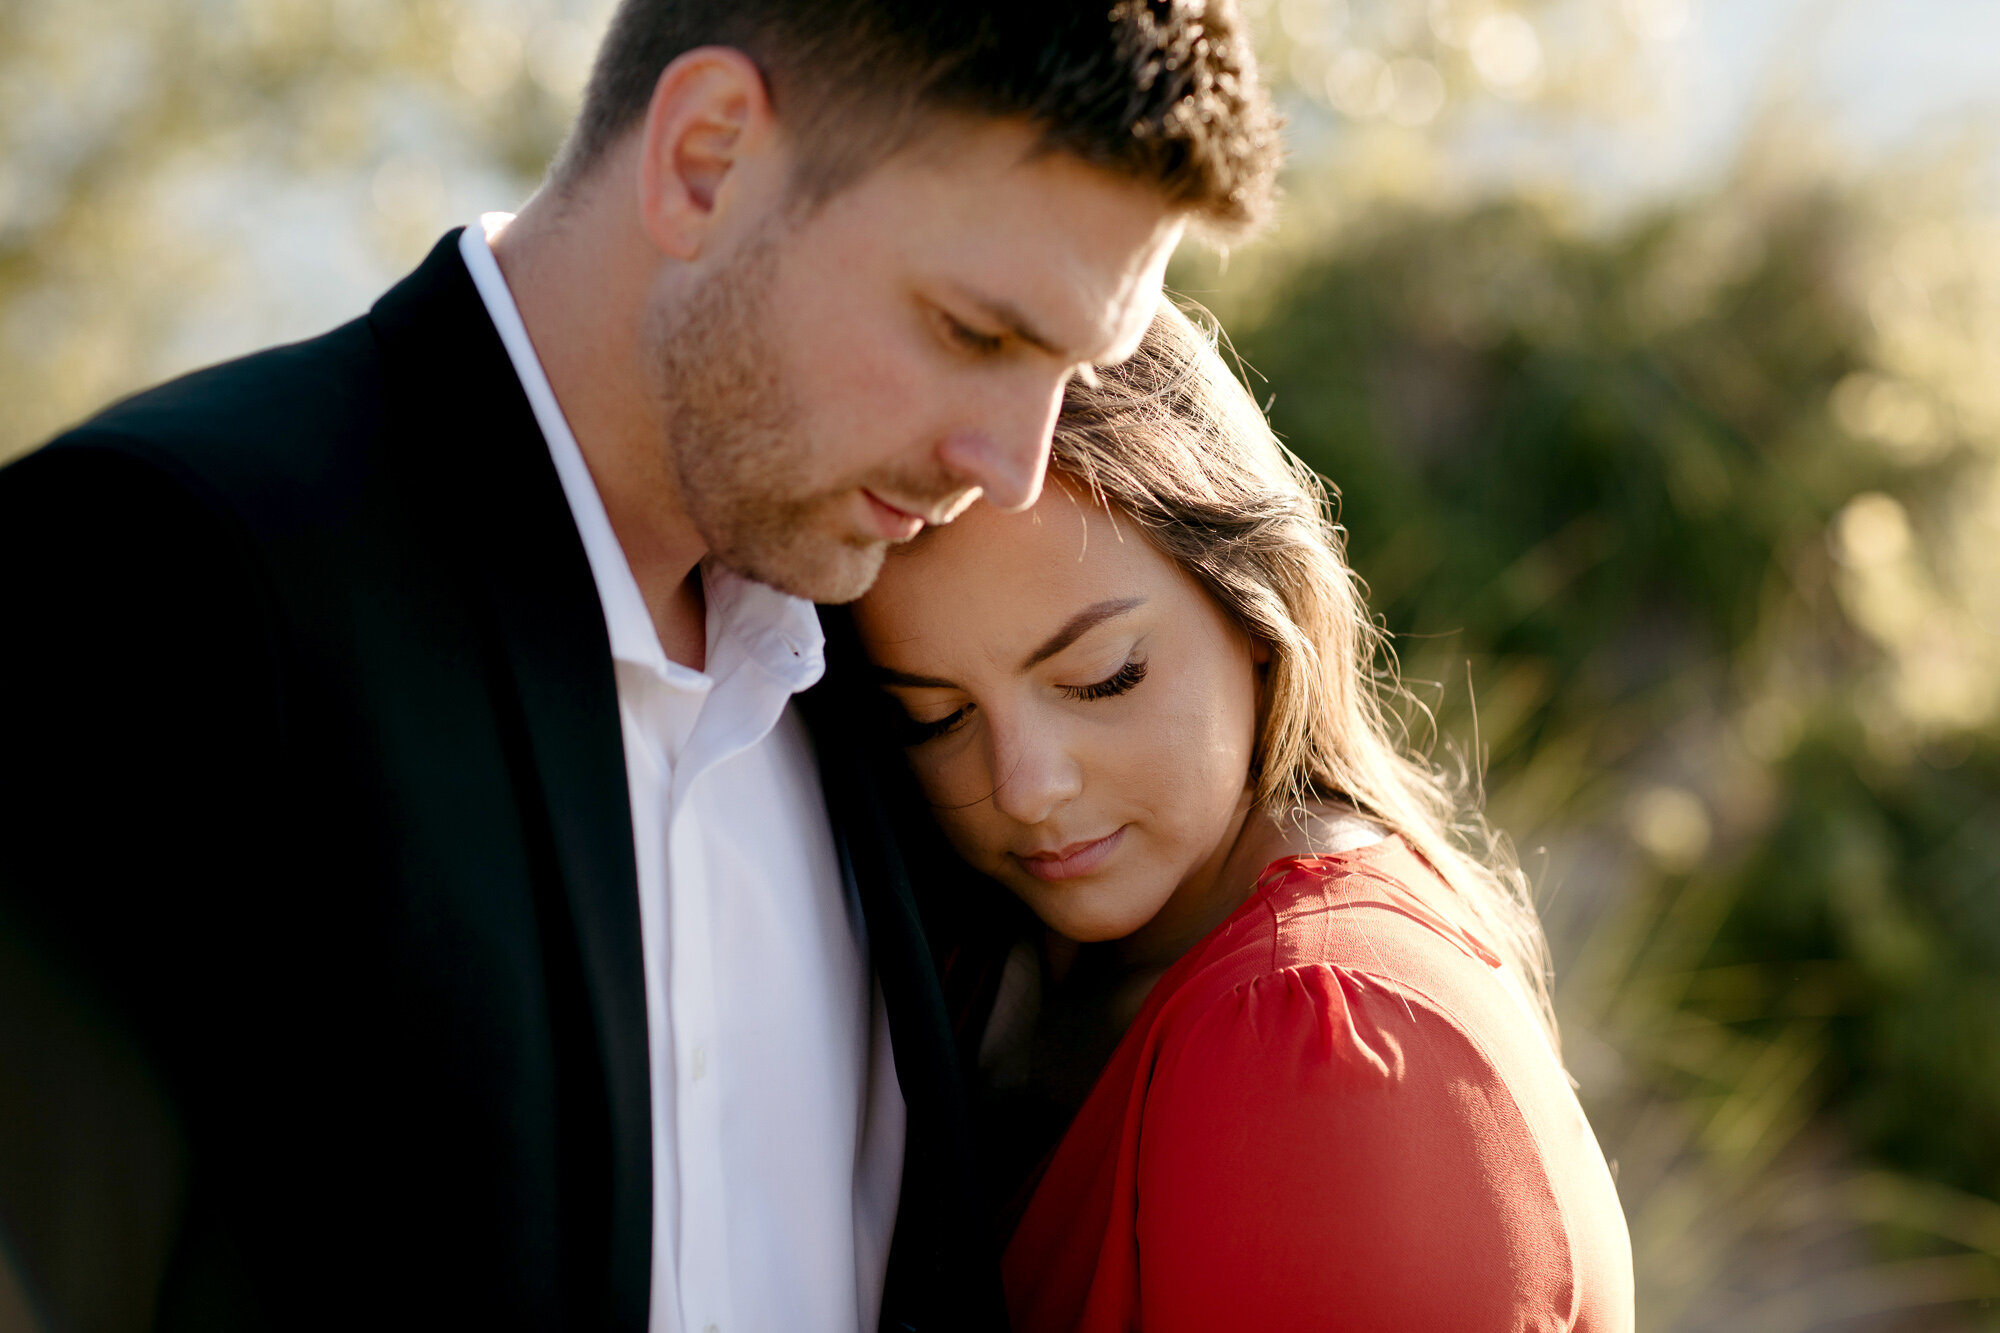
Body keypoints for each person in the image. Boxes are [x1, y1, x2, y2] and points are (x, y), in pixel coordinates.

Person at [0, 4, 1281, 1330]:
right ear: (705, 157)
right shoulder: (162, 578)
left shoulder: (889, 652)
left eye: (1070, 370)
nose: (1008, 466)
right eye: (973, 333)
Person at [849, 302, 1637, 1331]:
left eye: (1100, 676)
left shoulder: (1322, 1047)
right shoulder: (1013, 952)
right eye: (934, 716)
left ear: (1256, 612)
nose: (1022, 785)